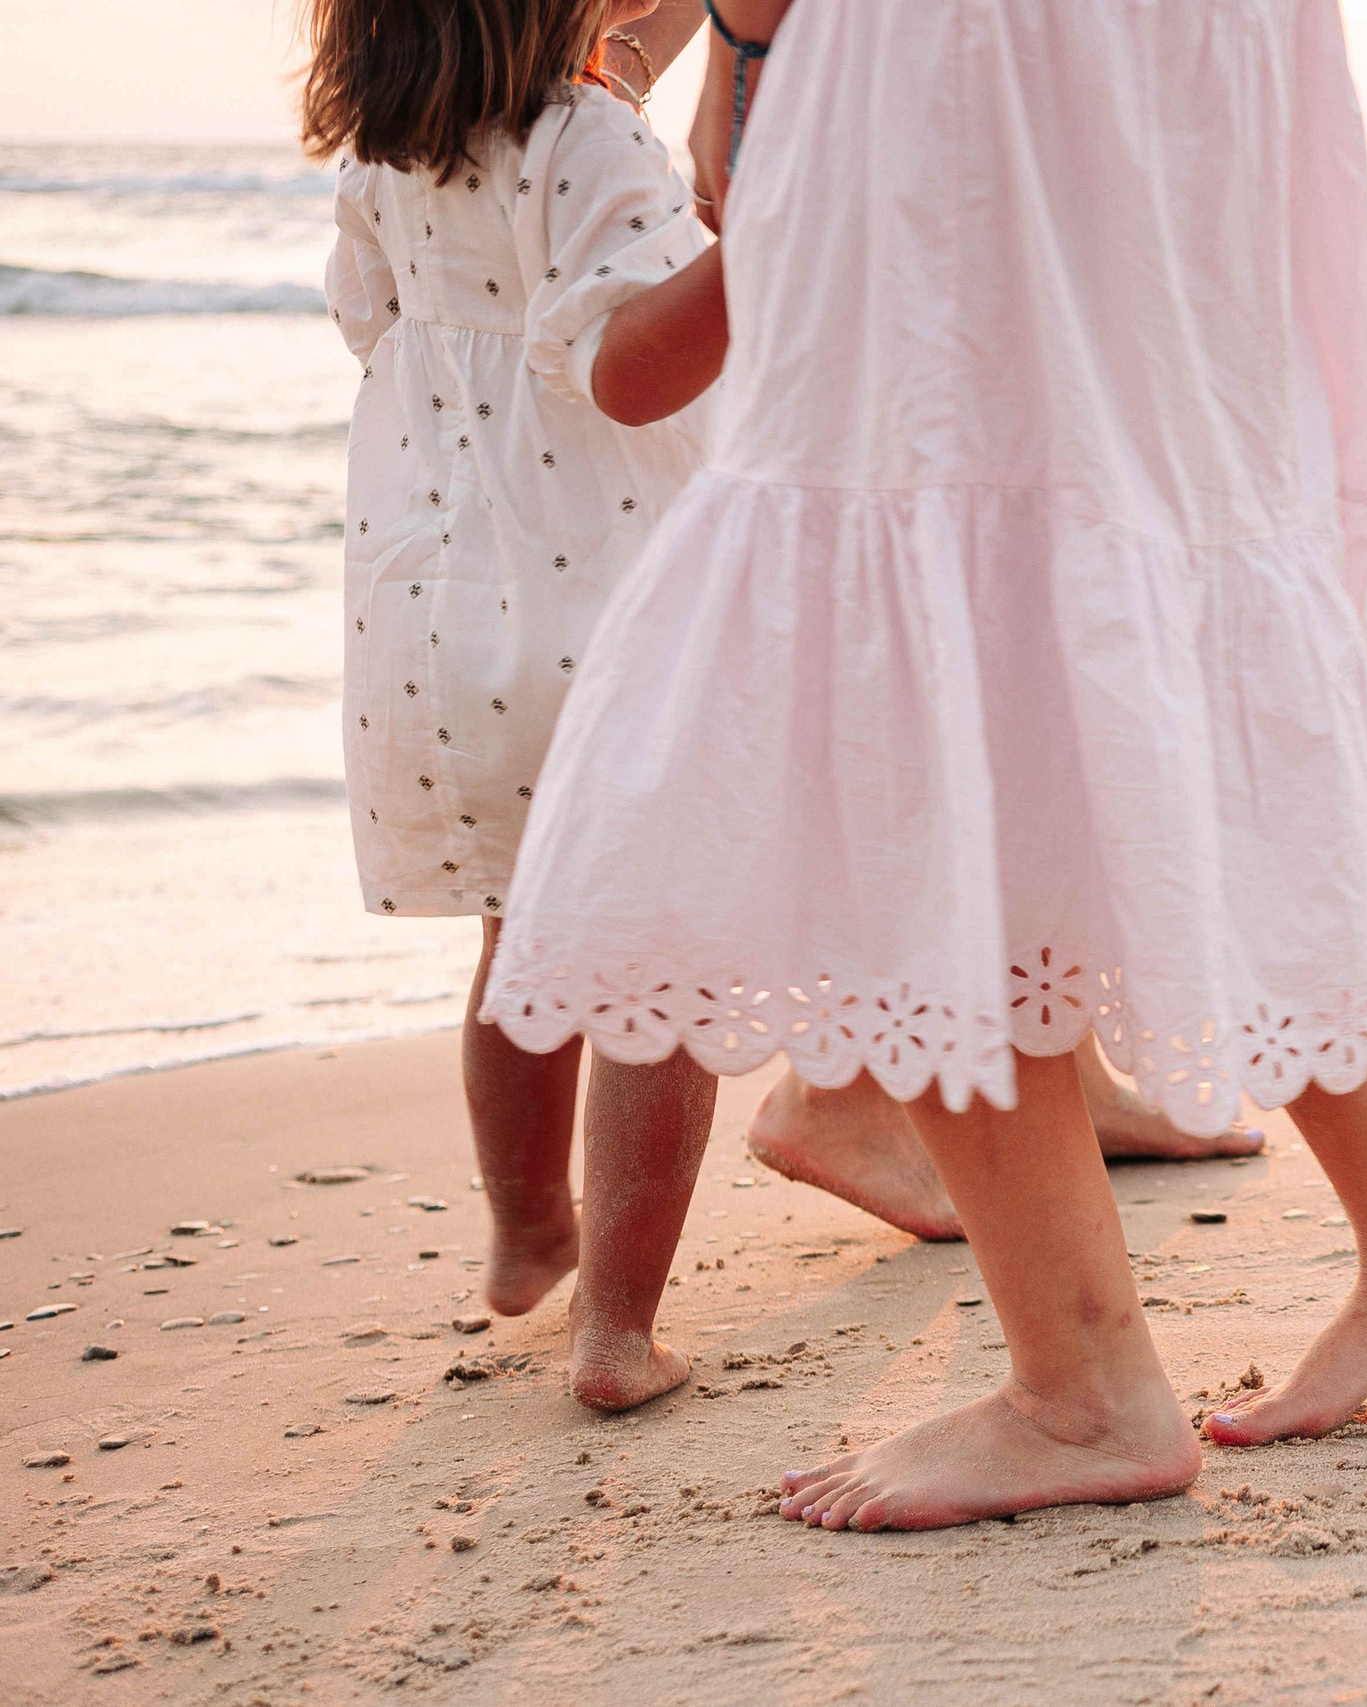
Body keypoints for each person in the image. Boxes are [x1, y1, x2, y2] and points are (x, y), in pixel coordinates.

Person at [482, 0, 1367, 1528]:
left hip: (965, 64)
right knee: (1089, 594)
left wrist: (745, 45)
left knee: (949, 649)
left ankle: (1082, 1386)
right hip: (1172, 53)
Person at [307, 0, 735, 1407]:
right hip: (603, 598)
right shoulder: (592, 137)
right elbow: (640, 356)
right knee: (657, 964)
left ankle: (524, 1226)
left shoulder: (386, 149)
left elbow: (364, 319)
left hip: (436, 600)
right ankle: (615, 1333)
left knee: (519, 929)